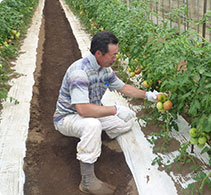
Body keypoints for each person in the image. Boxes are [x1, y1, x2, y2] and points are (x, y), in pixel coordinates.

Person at [53, 31, 159, 195]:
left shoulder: (105, 71)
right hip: (68, 117)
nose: (116, 58)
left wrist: (148, 95)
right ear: (98, 53)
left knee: (126, 122)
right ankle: (87, 181)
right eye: (113, 54)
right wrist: (115, 109)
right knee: (92, 125)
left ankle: (93, 136)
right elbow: (83, 109)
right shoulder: (79, 72)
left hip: (90, 113)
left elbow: (123, 88)